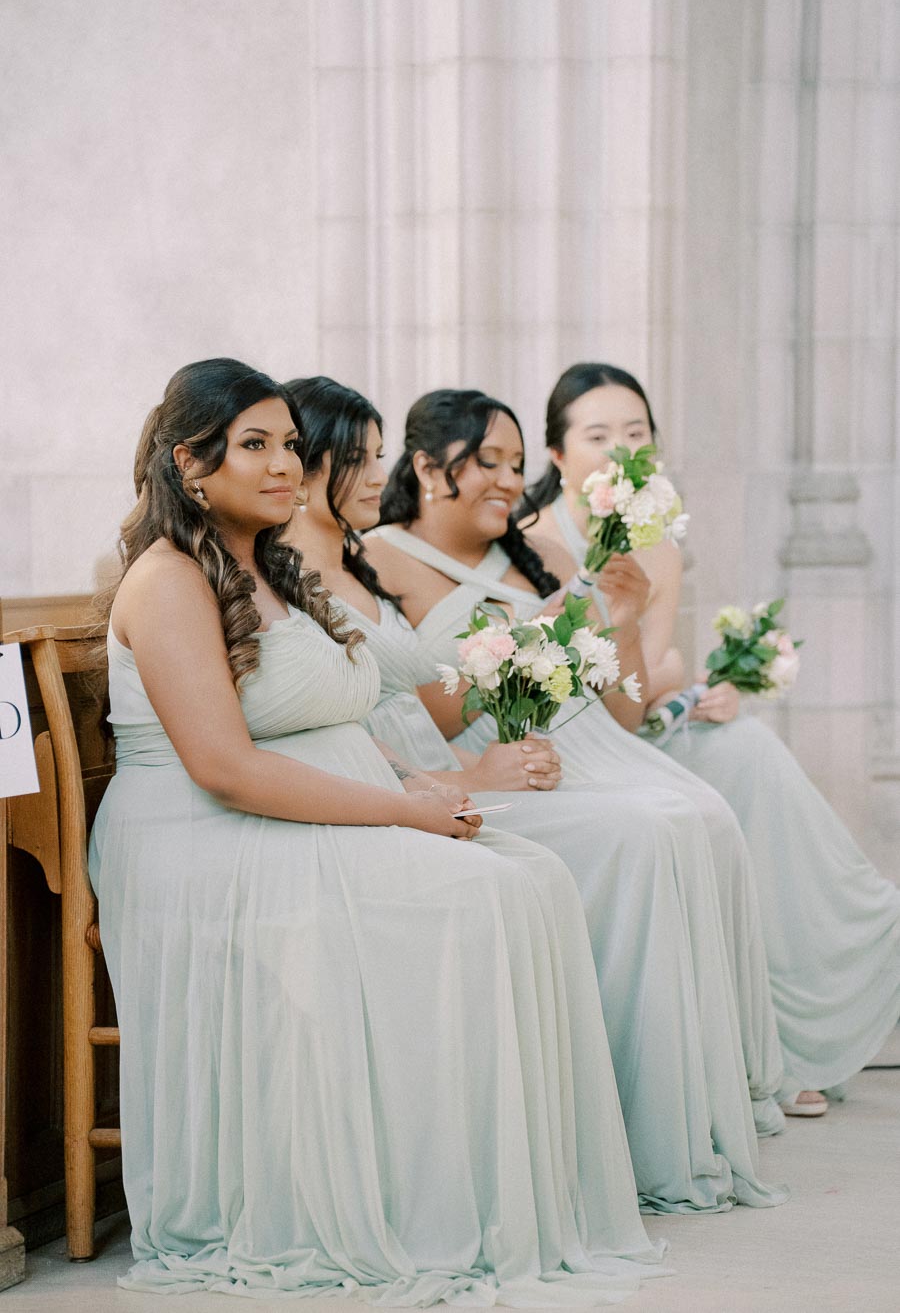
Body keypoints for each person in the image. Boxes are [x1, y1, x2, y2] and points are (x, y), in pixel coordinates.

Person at [88, 358, 669, 1303]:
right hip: (202, 836)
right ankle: (414, 1203)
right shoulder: (164, 581)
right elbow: (225, 766)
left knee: (532, 881)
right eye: (256, 445)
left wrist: (425, 786)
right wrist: (406, 811)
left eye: (288, 444)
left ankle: (474, 1196)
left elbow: (339, 720)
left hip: (302, 807)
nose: (286, 464)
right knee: (478, 899)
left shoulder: (269, 566)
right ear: (191, 464)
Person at [285, 374, 789, 1215]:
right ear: (427, 465)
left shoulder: (459, 555)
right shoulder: (371, 558)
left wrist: (613, 622)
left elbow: (619, 699)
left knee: (695, 812)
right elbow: (412, 709)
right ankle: (624, 1120)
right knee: (644, 834)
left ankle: (683, 1105)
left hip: (548, 747)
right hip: (455, 760)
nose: (509, 479)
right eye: (487, 459)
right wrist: (503, 699)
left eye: (517, 463)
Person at [522, 359, 900, 1109]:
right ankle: (744, 1050)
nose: (620, 449)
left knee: (747, 750)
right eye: (598, 435)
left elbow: (654, 663)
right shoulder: (528, 540)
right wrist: (672, 680)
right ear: (559, 455)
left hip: (636, 723)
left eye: (636, 433)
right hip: (559, 731)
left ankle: (781, 1034)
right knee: (724, 778)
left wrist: (700, 688)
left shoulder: (657, 544)